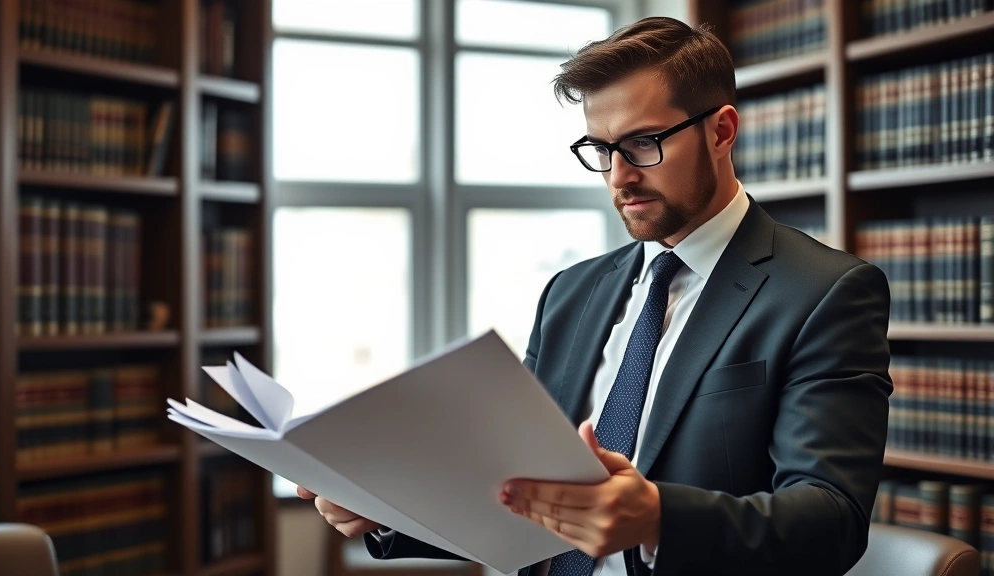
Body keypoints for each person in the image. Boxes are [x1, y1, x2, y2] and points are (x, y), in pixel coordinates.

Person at [298, 15, 893, 576]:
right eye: (601, 150)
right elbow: (515, 486)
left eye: (642, 144)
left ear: (722, 131)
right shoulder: (571, 293)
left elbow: (832, 519)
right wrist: (391, 508)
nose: (619, 176)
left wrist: (658, 517)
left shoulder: (824, 293)